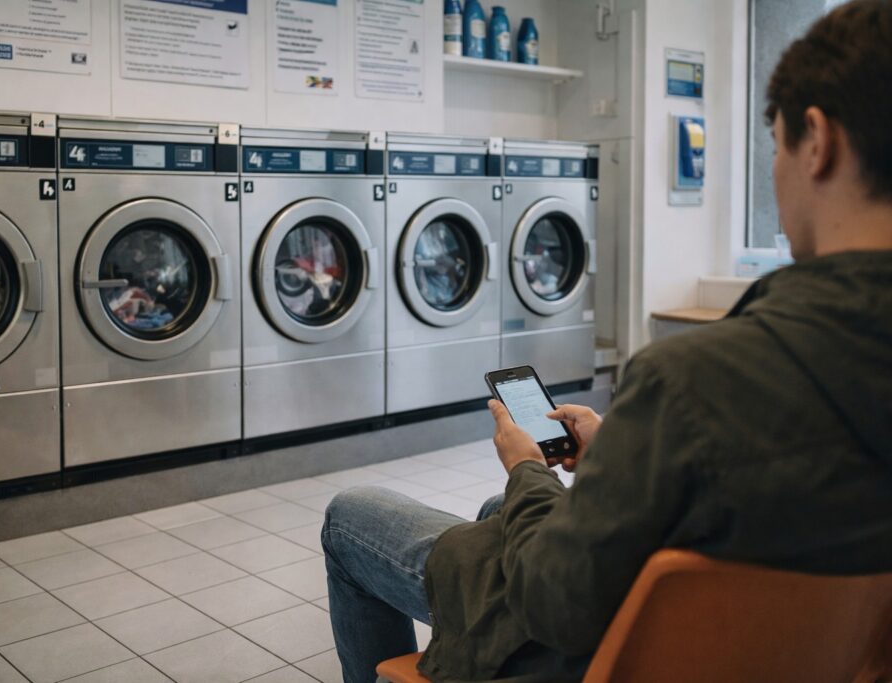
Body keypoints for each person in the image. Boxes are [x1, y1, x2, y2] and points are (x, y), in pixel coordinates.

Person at [321, 1, 892, 681]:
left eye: (775, 144)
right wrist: (618, 453)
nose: (775, 171)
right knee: (500, 513)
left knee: (352, 515)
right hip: (795, 652)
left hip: (599, 652)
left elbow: (553, 602)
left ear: (818, 141)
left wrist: (529, 466)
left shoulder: (691, 379)